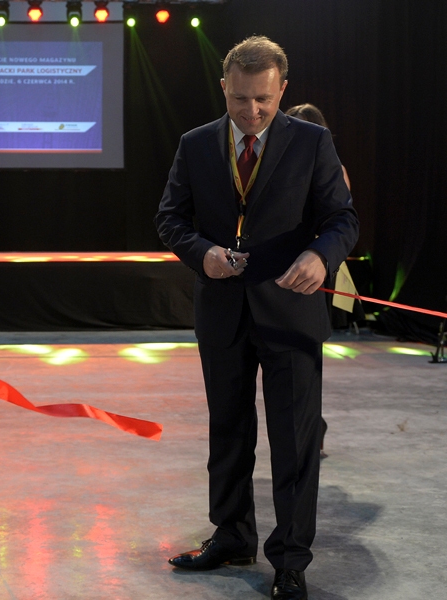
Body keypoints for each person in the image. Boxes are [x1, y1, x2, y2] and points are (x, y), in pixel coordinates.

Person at [155, 36, 358, 600]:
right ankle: (232, 535)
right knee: (228, 430)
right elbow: (170, 218)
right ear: (224, 86)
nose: (251, 111)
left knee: (294, 441)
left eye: (263, 99)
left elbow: (342, 219)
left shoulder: (313, 142)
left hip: (291, 312)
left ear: (282, 89)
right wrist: (203, 253)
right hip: (222, 311)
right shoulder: (196, 143)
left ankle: (290, 560)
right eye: (240, 98)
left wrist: (320, 256)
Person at [285, 103, 353, 460]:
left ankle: (312, 426)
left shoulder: (332, 169)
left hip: (314, 269)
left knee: (304, 359)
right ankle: (312, 425)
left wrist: (317, 255)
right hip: (287, 270)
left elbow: (340, 219)